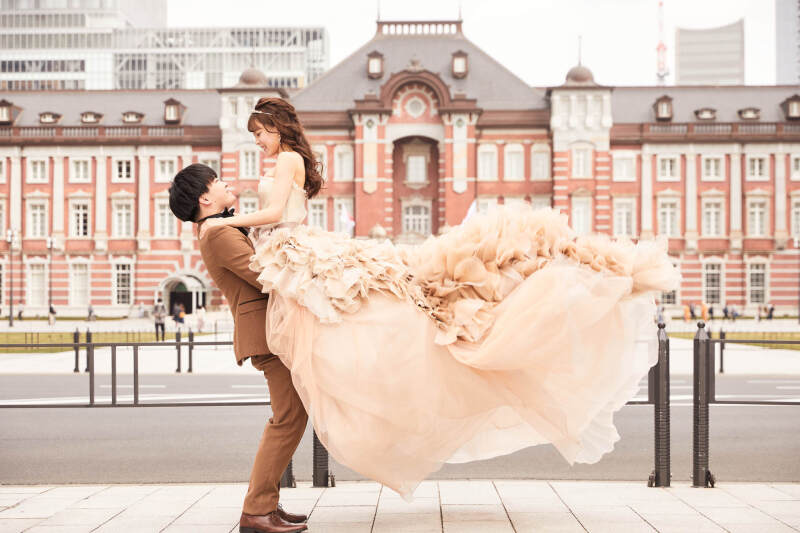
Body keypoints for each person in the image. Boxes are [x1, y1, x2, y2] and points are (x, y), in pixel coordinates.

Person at [194, 97, 680, 500]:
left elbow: (277, 210)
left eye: (259, 131)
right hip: (293, 252)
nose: (256, 141)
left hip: (294, 247)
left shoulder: (283, 163)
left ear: (276, 127)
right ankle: (265, 502)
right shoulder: (277, 167)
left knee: (371, 304)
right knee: (357, 311)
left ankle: (261, 504)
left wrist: (227, 221)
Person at [169, 164, 308, 533]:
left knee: (290, 416)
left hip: (268, 329)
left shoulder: (219, 228)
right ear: (204, 197)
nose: (226, 183)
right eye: (217, 181)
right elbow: (262, 275)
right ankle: (257, 511)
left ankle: (267, 505)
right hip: (265, 332)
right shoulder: (216, 233)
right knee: (288, 418)